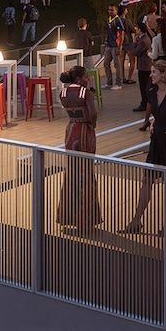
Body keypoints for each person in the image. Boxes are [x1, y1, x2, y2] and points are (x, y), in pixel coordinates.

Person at [123, 61, 166, 235]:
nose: (151, 74)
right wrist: (151, 122)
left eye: (154, 72)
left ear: (163, 74)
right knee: (147, 180)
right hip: (157, 140)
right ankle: (136, 220)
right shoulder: (152, 92)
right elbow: (153, 110)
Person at [56, 68, 100, 231]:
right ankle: (85, 219)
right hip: (84, 130)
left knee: (72, 171)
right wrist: (92, 124)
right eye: (87, 76)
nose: (88, 78)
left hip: (71, 130)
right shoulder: (85, 93)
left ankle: (68, 215)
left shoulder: (63, 93)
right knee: (86, 172)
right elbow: (93, 113)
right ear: (80, 78)